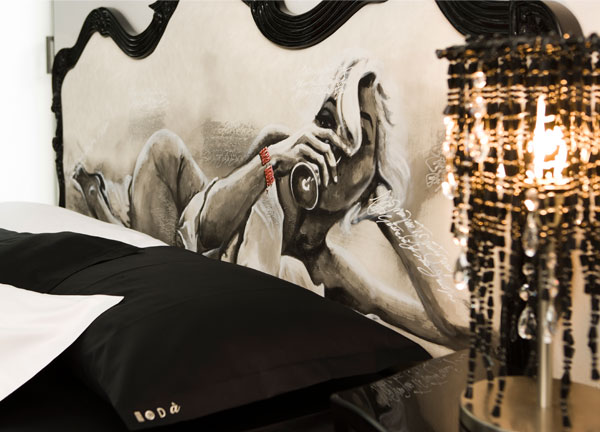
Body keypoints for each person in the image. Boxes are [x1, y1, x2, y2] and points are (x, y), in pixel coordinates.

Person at [74, 58, 469, 348]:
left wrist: (389, 211)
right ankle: (114, 218)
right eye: (327, 121)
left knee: (162, 284)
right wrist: (270, 161)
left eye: (358, 137)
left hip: (196, 251)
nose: (336, 144)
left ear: (374, 172)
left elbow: (453, 328)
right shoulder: (278, 148)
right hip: (189, 210)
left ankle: (111, 217)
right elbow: (206, 231)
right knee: (164, 148)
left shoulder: (333, 271)